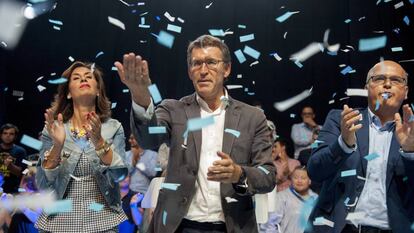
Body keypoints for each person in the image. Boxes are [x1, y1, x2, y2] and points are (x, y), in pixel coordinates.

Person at [115, 34, 276, 233]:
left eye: (211, 62)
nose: (203, 71)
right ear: (189, 71)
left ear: (226, 69)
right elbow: (148, 138)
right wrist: (140, 94)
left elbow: (267, 176)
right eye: (196, 63)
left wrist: (238, 174)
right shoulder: (173, 110)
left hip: (231, 226)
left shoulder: (253, 117)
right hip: (179, 226)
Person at [307, 60, 414, 233]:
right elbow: (315, 170)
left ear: (406, 91)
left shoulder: (412, 131)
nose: (387, 84)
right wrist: (343, 144)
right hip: (341, 227)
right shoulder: (342, 119)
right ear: (367, 88)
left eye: (395, 80)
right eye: (379, 79)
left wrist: (410, 153)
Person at [35, 61, 128, 233]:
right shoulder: (54, 129)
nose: (83, 79)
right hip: (58, 222)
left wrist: (99, 141)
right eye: (76, 78)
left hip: (103, 221)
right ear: (69, 93)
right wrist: (57, 146)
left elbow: (120, 175)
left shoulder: (114, 127)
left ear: (98, 90)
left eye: (89, 77)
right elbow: (42, 182)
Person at [260, 166, 318, 233]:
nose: (299, 181)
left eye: (303, 178)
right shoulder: (281, 197)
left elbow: (321, 222)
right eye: (296, 178)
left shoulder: (317, 199)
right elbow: (269, 225)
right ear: (291, 180)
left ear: (310, 181)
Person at [0, 123, 28, 194]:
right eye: (5, 133)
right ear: (1, 135)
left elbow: (22, 173)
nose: (8, 136)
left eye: (11, 134)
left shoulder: (21, 151)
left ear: (15, 136)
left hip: (12, 191)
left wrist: (10, 165)